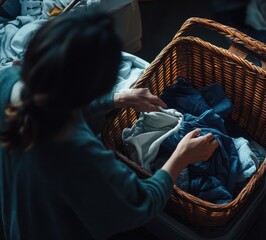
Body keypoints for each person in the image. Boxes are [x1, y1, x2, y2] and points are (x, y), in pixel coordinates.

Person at [0, 10, 219, 240]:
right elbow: (140, 204)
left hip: (18, 217)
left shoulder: (9, 81)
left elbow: (52, 103)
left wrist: (117, 99)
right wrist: (181, 157)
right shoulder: (78, 152)